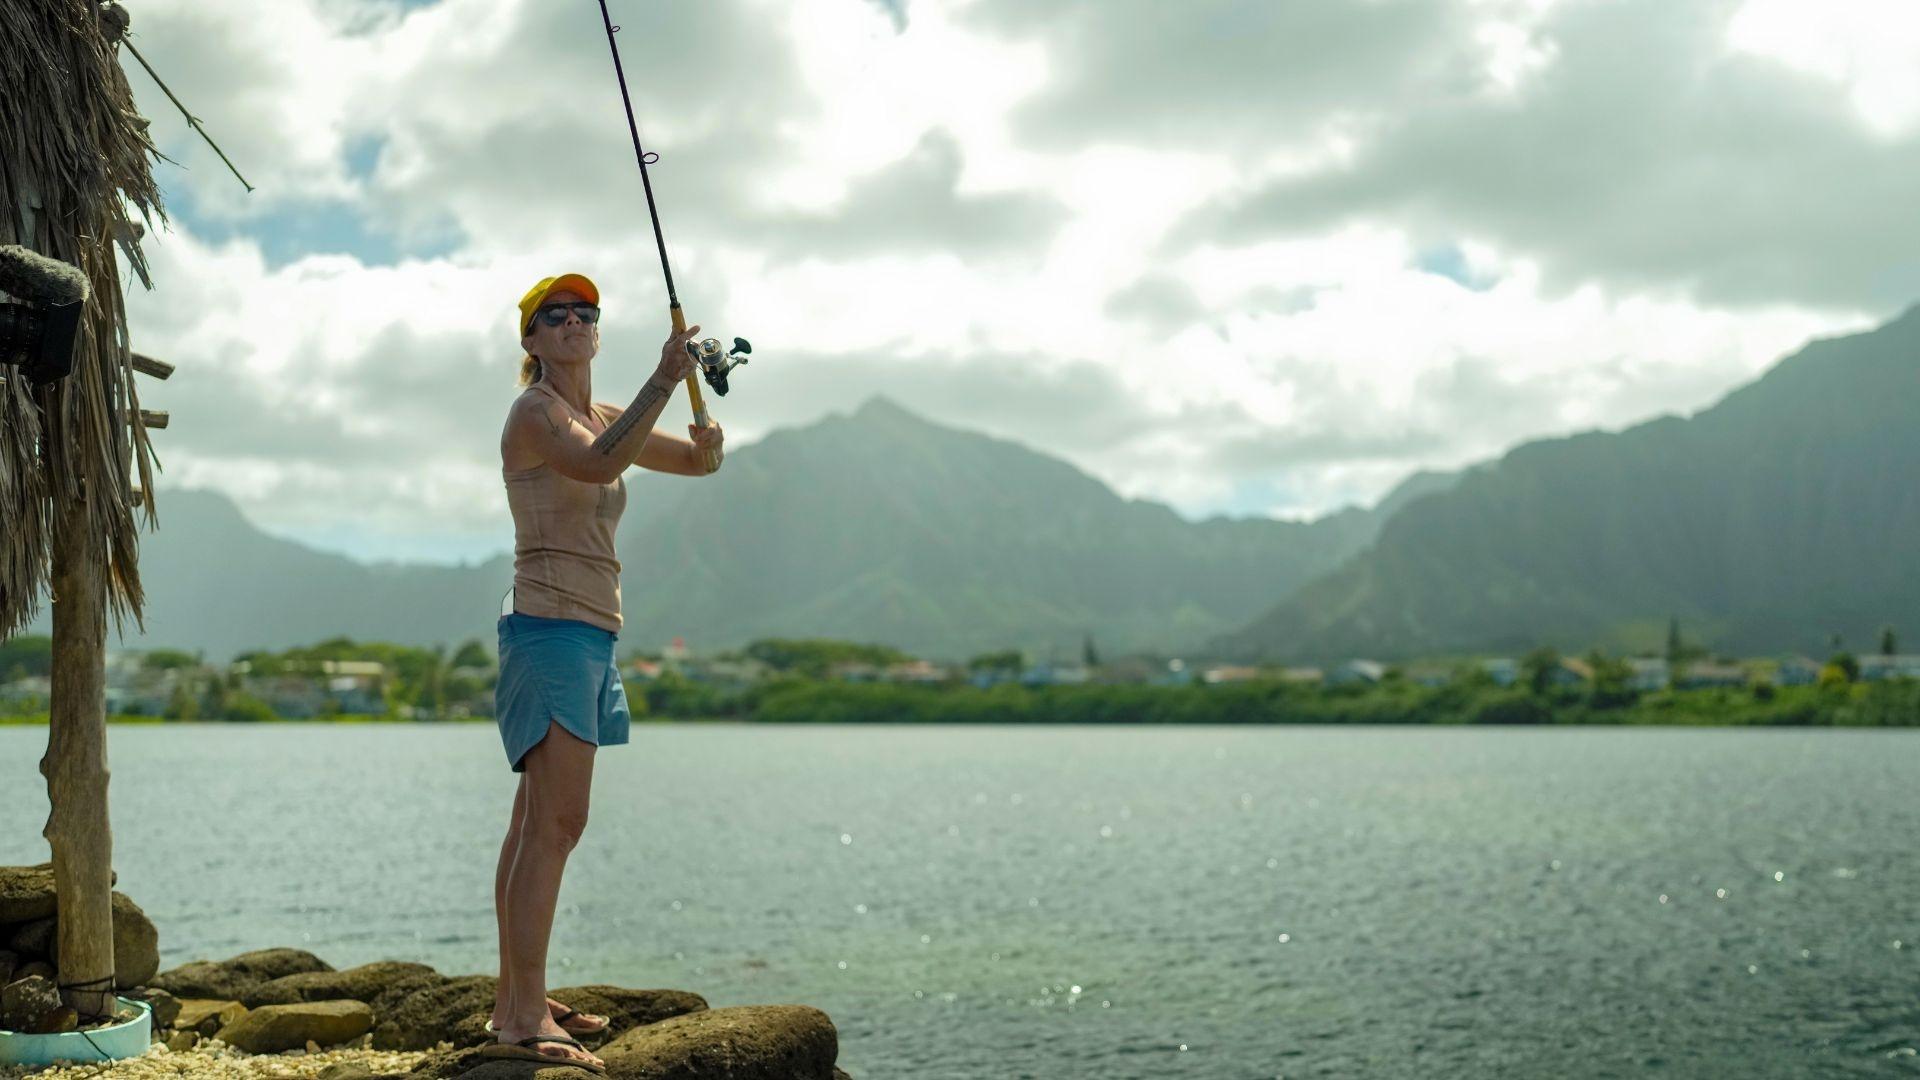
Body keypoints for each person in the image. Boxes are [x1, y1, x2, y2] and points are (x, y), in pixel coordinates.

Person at [483, 272, 725, 1072]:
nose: (576, 321)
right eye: (557, 315)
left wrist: (707, 443)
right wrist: (666, 376)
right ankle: (521, 1019)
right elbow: (594, 468)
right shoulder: (537, 412)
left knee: (533, 824)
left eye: (587, 311)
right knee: (558, 825)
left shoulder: (605, 414)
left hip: (588, 635)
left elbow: (692, 464)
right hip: (551, 631)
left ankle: (517, 995)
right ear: (532, 341)